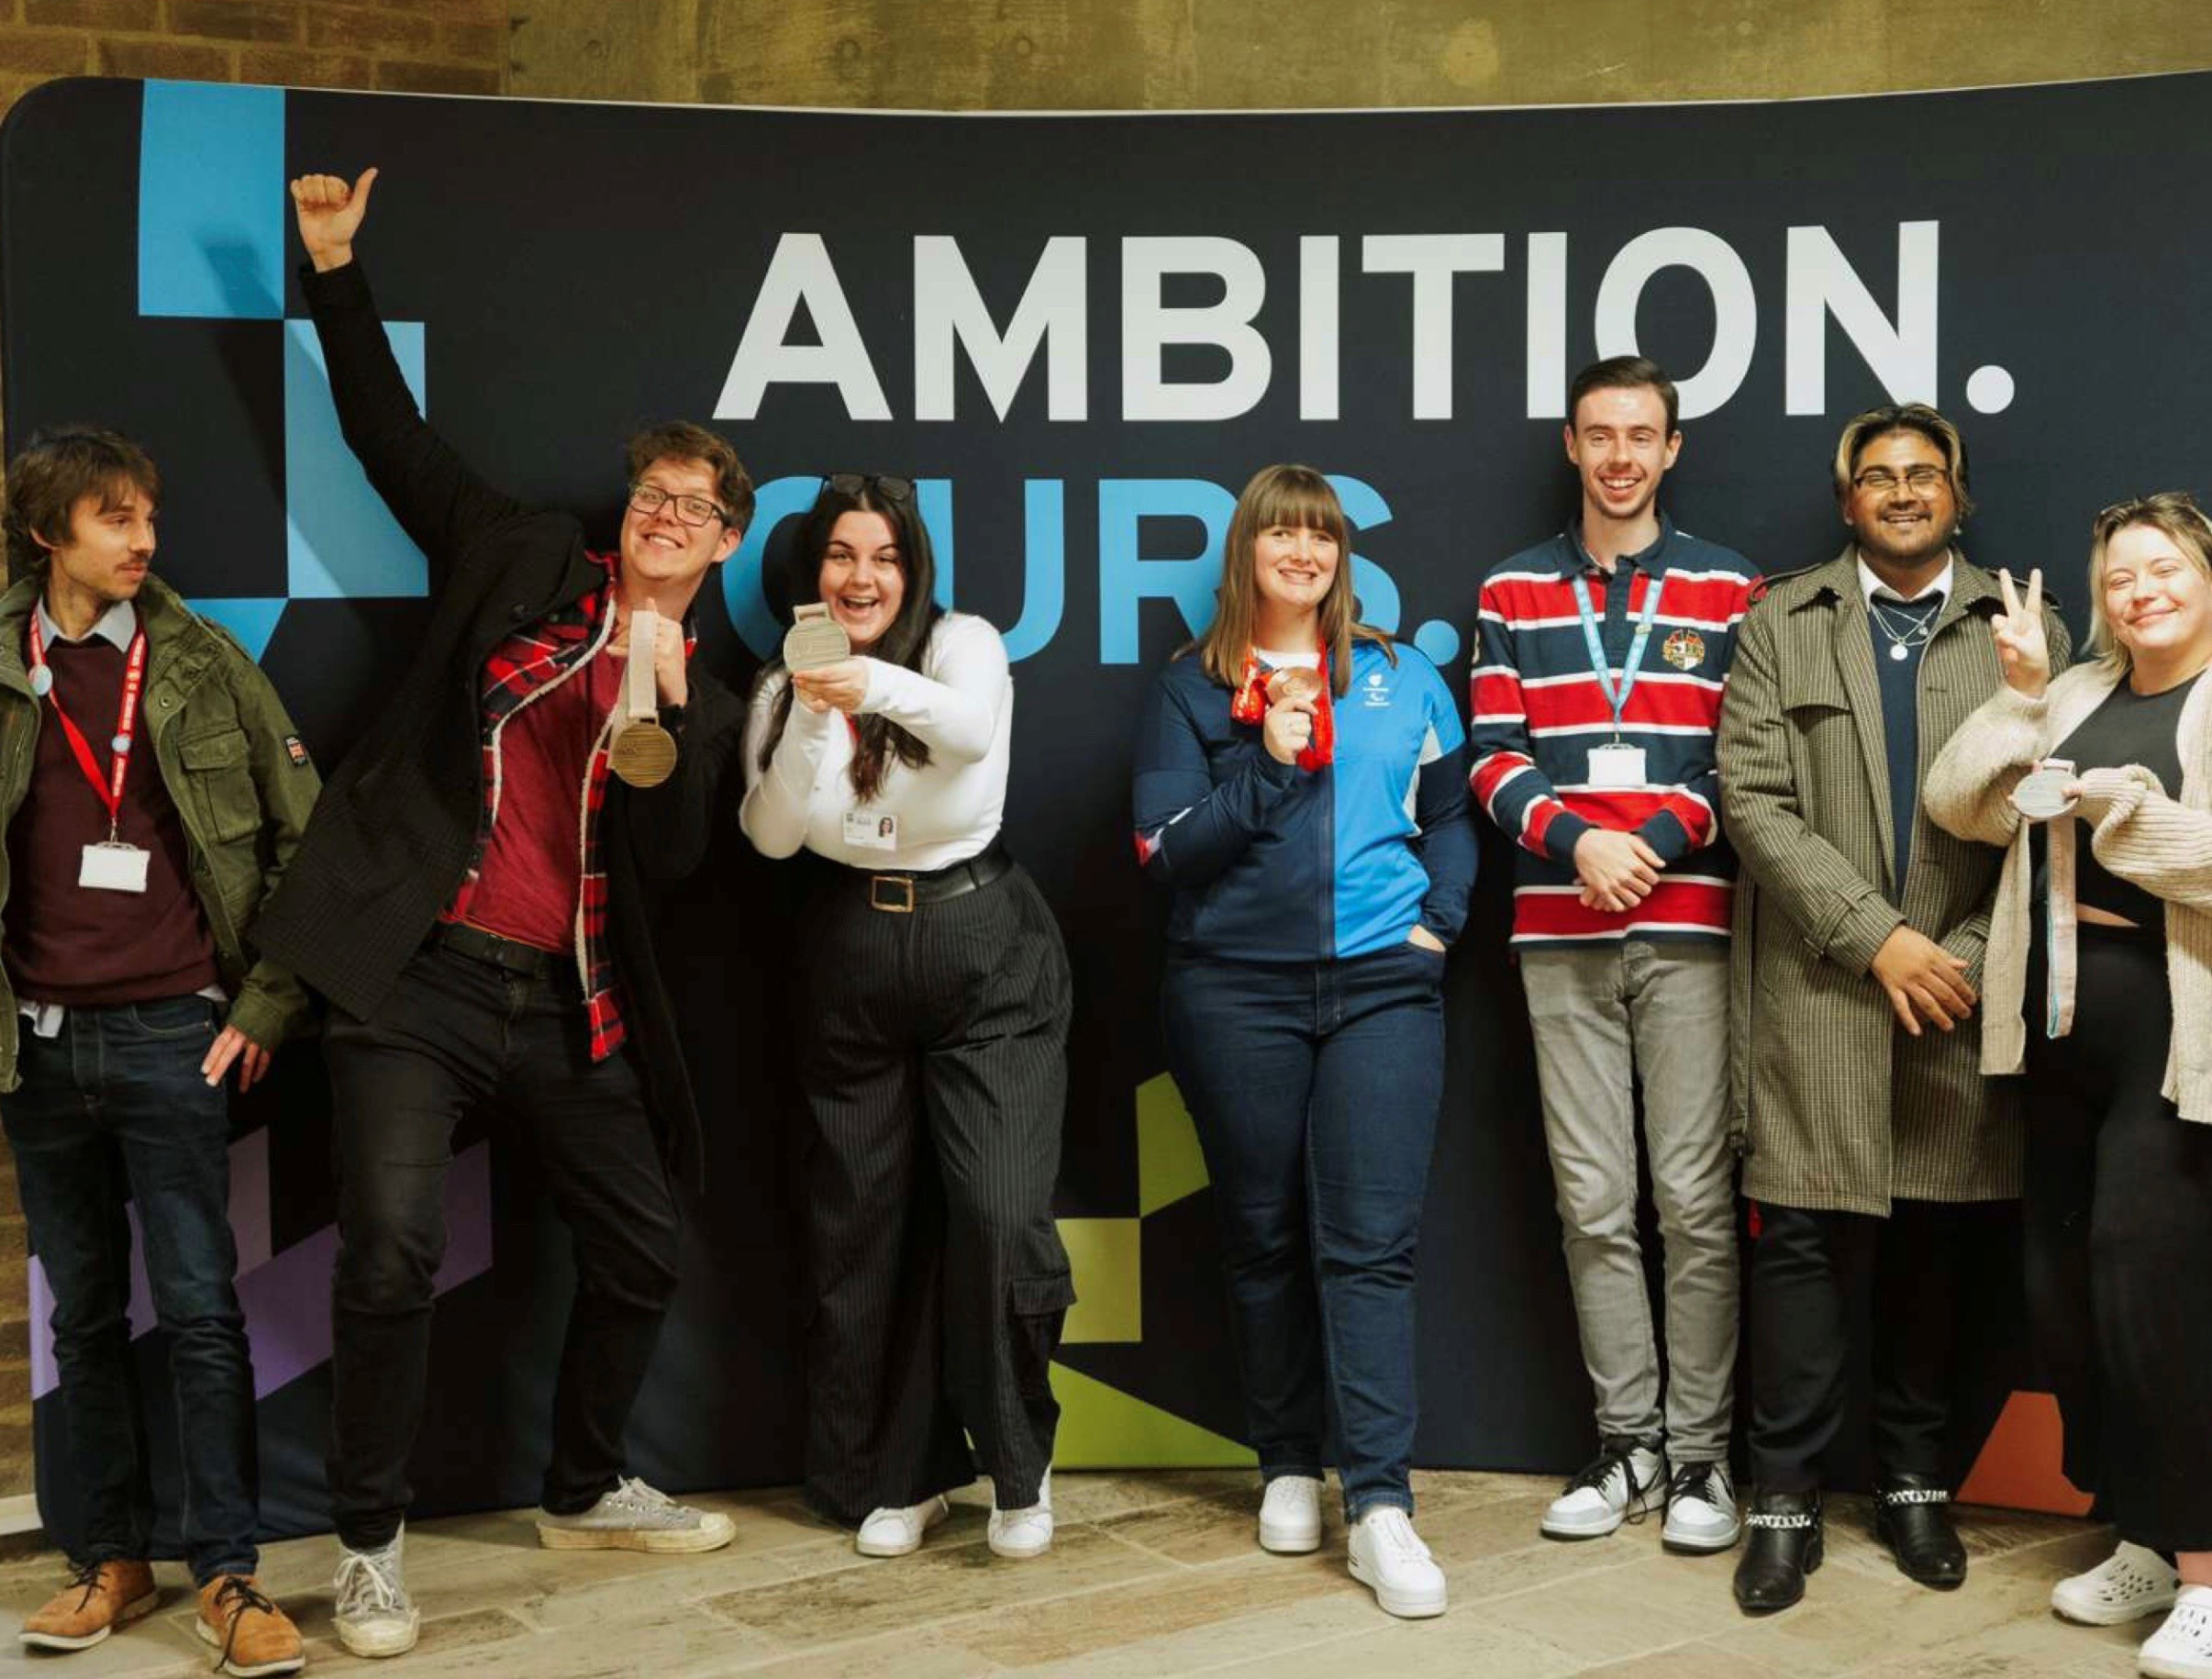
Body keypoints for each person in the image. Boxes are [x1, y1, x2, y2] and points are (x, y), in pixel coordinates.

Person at [261, 170, 751, 1660]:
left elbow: (667, 869)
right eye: (654, 494)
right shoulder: (523, 556)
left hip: (566, 999)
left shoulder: (710, 702)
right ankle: (367, 1547)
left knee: (646, 1245)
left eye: (698, 507)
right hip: (415, 974)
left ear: (728, 541)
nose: (668, 515)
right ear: (630, 511)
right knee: (392, 1255)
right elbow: (388, 440)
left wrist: (658, 703)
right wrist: (335, 274)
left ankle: (588, 1483)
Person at [1925, 493, 2212, 1679]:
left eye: (2162, 571)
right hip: (2061, 1039)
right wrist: (2024, 697)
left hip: (2183, 1045)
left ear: (2211, 585)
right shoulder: (2082, 694)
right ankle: (2146, 1532)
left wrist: (2117, 808)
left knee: (2155, 1309)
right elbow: (1963, 805)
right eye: (2120, 577)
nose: (2139, 591)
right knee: (2067, 1305)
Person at [1715, 402, 2073, 1612]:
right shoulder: (1781, 621)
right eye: (1880, 477)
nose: (1905, 492)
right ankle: (1783, 1498)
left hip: (1961, 990)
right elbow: (1753, 802)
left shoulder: (2027, 629)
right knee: (1805, 1250)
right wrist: (1880, 941)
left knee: (1934, 1244)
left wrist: (1956, 952)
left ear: (1959, 497)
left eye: (1926, 475)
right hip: (1821, 983)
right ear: (1848, 503)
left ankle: (1917, 1482)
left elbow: (2051, 813)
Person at [1132, 463, 1476, 1619]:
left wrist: (1441, 925)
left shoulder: (1400, 673)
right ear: (1247, 552)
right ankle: (1286, 1460)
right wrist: (1269, 763)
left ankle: (1381, 1504)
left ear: (1341, 554)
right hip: (1234, 992)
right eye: (1279, 531)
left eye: (1319, 533)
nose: (1302, 549)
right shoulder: (1193, 687)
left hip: (1384, 984)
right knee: (1264, 1231)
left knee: (1369, 1243)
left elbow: (1451, 813)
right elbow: (1166, 854)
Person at [0, 430, 317, 1675]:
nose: (140, 539)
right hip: (37, 1050)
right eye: (110, 518)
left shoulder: (200, 661)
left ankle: (231, 1581)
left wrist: (265, 1008)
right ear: (46, 535)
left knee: (197, 1314)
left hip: (176, 1034)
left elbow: (309, 844)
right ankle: (110, 1563)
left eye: (147, 515)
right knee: (81, 1320)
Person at [740, 476, 1074, 1562]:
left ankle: (1020, 1466)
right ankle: (903, 1471)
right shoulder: (780, 687)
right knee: (860, 1229)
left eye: (881, 555)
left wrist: (866, 680)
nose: (860, 575)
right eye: (841, 553)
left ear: (910, 566)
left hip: (985, 943)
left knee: (998, 1213)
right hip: (849, 951)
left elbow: (971, 734)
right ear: (812, 570)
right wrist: (811, 713)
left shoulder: (962, 646)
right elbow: (777, 836)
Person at [1466, 355, 1756, 1557]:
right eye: (1601, 435)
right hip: (1559, 932)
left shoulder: (1735, 587)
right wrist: (1583, 844)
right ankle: (1627, 1444)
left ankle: (1701, 1458)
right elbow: (1490, 754)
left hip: (1687, 928)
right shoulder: (1511, 591)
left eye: (1642, 435)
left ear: (1672, 449)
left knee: (1693, 1203)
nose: (1621, 455)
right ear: (1573, 448)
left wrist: (1643, 848)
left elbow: (1739, 763)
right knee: (1594, 1206)